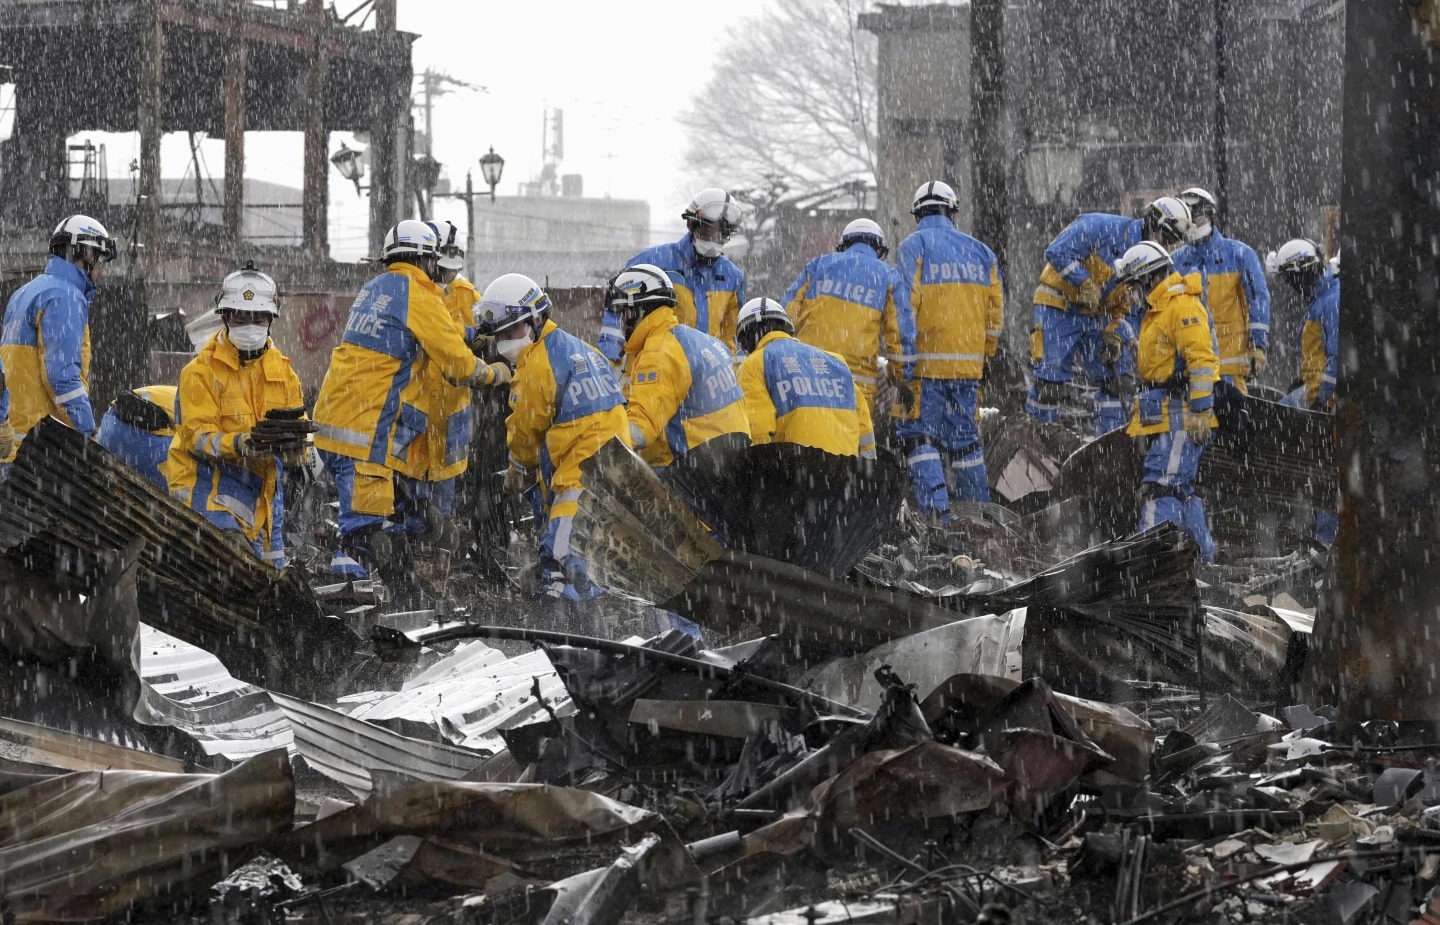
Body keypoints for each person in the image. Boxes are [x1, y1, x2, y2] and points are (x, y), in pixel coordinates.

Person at [312, 220, 511, 580]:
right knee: (368, 537)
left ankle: (381, 596)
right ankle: (352, 613)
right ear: (428, 261)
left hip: (339, 422)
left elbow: (436, 328)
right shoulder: (418, 293)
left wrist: (471, 333)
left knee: (403, 521)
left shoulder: (378, 288)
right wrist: (497, 373)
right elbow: (458, 365)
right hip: (366, 432)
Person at [483, 273, 628, 601]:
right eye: (500, 334)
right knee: (595, 564)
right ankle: (607, 631)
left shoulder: (537, 366)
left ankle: (572, 640)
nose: (505, 340)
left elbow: (525, 432)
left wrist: (517, 471)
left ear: (535, 321)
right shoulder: (583, 350)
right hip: (616, 476)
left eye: (512, 331)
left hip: (580, 479)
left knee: (562, 559)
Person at [168, 265, 312, 568]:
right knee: (235, 573)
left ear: (271, 319)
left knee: (273, 582)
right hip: (211, 490)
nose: (250, 325)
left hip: (264, 496)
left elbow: (300, 431)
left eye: (258, 318)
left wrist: (298, 453)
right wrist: (242, 443)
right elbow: (196, 437)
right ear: (225, 317)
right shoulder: (199, 372)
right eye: (240, 317)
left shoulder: (284, 373)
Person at [1026, 197, 1193, 435]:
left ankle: (1108, 443)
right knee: (1049, 387)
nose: (1167, 247)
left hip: (1098, 316)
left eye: (1173, 243)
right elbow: (1056, 251)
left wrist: (1116, 334)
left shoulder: (1154, 263)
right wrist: (1083, 282)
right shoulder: (1100, 227)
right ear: (1153, 224)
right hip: (1058, 306)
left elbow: (1138, 311)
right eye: (1166, 239)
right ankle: (1037, 437)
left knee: (1118, 384)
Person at [891, 180, 1003, 517]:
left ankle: (938, 515)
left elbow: (905, 310)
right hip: (968, 369)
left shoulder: (915, 246)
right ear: (953, 212)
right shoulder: (983, 253)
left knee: (917, 437)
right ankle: (979, 517)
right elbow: (995, 317)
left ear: (917, 216)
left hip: (926, 368)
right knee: (965, 442)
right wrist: (984, 358)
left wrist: (902, 368)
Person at [1114, 241, 1220, 564]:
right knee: (1180, 489)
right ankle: (1201, 560)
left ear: (1146, 277)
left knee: (1160, 486)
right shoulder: (1160, 308)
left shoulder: (1181, 306)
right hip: (1168, 414)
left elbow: (1201, 360)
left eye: (1133, 285)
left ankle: (1150, 563)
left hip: (1181, 415)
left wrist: (1201, 410)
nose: (1131, 293)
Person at [0, 215, 117, 470]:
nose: (101, 268)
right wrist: (88, 434)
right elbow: (62, 378)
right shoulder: (66, 297)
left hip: (10, 446)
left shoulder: (25, 292)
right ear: (87, 253)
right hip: (37, 455)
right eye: (101, 258)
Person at [607, 264, 750, 469]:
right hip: (734, 464)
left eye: (623, 313)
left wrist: (598, 440)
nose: (621, 322)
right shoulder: (703, 341)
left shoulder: (659, 352)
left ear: (636, 310)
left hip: (698, 474)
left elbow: (640, 428)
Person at [782, 218, 911, 428]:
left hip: (806, 373)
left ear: (844, 245)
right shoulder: (888, 277)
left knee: (805, 439)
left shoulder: (817, 266)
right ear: (878, 248)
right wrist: (901, 378)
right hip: (856, 385)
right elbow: (900, 336)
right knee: (851, 447)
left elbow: (786, 316)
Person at [602, 189, 745, 361]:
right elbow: (618, 311)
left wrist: (729, 373)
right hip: (653, 367)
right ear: (691, 225)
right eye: (709, 231)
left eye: (723, 234)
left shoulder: (732, 276)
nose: (715, 240)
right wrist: (610, 361)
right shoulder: (653, 261)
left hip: (704, 376)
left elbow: (730, 337)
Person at [734, 297, 874, 458]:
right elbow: (864, 426)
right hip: (846, 473)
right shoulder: (836, 362)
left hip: (795, 473)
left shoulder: (752, 366)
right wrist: (866, 468)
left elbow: (759, 430)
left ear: (745, 340)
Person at [1275, 237, 1340, 546]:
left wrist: (1323, 397)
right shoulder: (1323, 298)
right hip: (1321, 396)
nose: (1291, 287)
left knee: (1330, 473)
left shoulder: (1331, 301)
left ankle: (1326, 543)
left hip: (1331, 404)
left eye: (1291, 279)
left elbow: (1339, 359)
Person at [1171, 188, 1271, 388]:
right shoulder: (1175, 261)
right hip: (1189, 367)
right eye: (1186, 219)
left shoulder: (1239, 254)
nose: (1191, 225)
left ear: (1211, 217)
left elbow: (1258, 299)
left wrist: (1258, 345)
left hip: (1229, 365)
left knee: (1231, 418)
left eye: (1196, 218)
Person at [420, 220, 480, 540]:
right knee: (412, 490)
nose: (448, 277)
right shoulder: (413, 291)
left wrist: (474, 338)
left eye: (451, 270)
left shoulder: (466, 295)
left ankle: (437, 557)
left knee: (444, 489)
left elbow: (484, 337)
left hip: (452, 409)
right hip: (418, 407)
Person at [95, 385, 178, 490]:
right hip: (142, 440)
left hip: (109, 423)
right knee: (182, 485)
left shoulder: (180, 392)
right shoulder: (200, 412)